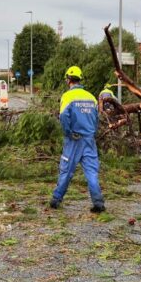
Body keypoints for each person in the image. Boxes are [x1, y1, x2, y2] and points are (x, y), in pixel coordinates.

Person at [49, 66, 106, 213]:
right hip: (89, 140)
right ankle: (98, 202)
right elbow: (96, 119)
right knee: (91, 172)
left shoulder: (68, 96)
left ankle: (56, 200)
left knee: (66, 170)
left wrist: (68, 132)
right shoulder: (91, 97)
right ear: (80, 79)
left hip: (74, 140)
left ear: (68, 80)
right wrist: (92, 133)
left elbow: (63, 116)